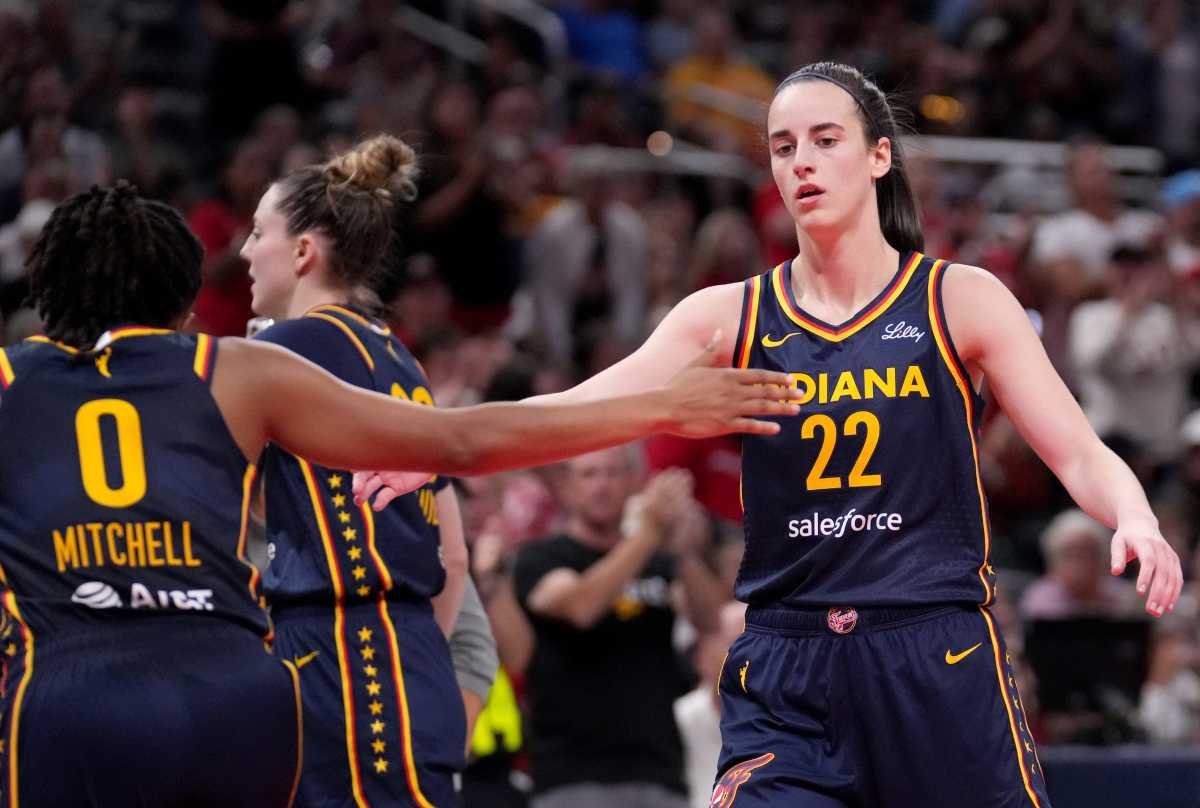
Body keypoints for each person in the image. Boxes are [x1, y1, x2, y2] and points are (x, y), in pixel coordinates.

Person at [359, 62, 1183, 808]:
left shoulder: (957, 298)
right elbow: (575, 412)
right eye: (784, 147)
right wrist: (435, 444)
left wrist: (1134, 515)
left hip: (935, 655)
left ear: (878, 157)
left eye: (826, 140)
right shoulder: (727, 314)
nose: (803, 163)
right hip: (790, 664)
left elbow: (1074, 447)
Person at [0, 181, 800, 808]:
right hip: (230, 696)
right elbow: (463, 443)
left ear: (48, 292)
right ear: (182, 302)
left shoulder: (8, 382)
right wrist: (663, 406)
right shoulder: (236, 369)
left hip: (67, 692)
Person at [238, 134, 467, 806]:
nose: (245, 251)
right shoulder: (400, 357)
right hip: (414, 649)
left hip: (345, 652)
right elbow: (451, 556)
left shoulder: (285, 350)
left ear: (304, 252)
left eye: (258, 233)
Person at [513, 451, 725, 808]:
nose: (602, 486)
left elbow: (712, 619)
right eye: (590, 475)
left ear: (633, 481)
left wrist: (680, 552)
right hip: (571, 774)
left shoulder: (657, 559)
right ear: (567, 486)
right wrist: (648, 533)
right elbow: (582, 607)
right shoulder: (544, 556)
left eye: (613, 474)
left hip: (658, 770)